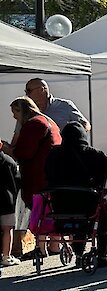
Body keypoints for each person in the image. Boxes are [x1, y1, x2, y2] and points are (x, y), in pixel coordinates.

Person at [46, 122, 107, 266]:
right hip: (88, 203)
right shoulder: (91, 153)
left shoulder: (54, 154)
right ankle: (101, 256)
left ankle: (79, 255)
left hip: (61, 203)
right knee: (103, 217)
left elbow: (47, 174)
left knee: (77, 224)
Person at [8, 97, 62, 255]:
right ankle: (54, 246)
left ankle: (41, 247)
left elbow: (24, 152)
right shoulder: (47, 121)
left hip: (39, 176)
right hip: (51, 174)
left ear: (22, 110)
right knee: (51, 211)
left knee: (40, 211)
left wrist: (6, 148)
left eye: (15, 112)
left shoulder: (34, 124)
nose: (14, 117)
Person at [24, 78, 90, 133]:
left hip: (64, 147)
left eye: (29, 91)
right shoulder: (27, 109)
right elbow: (18, 134)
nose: (27, 95)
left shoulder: (65, 105)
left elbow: (85, 125)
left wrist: (74, 138)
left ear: (41, 90)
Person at [0, 148, 19, 267]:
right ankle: (6, 256)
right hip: (7, 200)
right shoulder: (9, 161)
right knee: (7, 229)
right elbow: (17, 181)